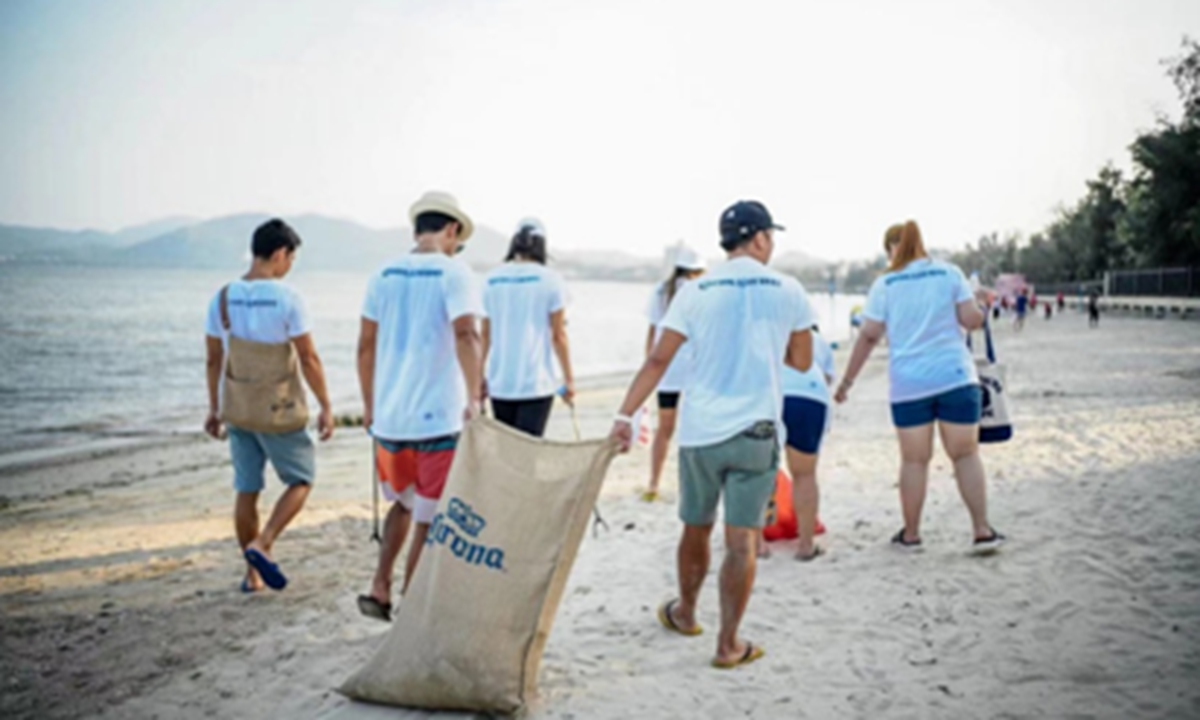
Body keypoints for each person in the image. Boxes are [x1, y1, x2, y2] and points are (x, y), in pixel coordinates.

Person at [609, 200, 815, 670]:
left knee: (695, 526)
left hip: (701, 431)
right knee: (741, 540)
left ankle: (685, 613)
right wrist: (763, 346)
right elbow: (802, 362)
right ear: (760, 238)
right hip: (756, 431)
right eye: (771, 237)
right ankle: (728, 644)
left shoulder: (694, 292)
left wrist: (625, 415)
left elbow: (658, 360)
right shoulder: (788, 289)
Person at [835, 220, 1004, 556]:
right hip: (956, 377)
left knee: (914, 461)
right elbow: (972, 320)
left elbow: (869, 335)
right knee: (966, 455)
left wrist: (847, 382)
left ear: (891, 250)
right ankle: (982, 531)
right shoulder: (949, 273)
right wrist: (981, 303)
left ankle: (911, 536)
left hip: (909, 384)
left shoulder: (885, 283)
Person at [356, 191, 484, 622]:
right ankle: (412, 612)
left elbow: (365, 346)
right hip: (438, 420)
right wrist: (475, 399)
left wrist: (370, 406)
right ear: (451, 230)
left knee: (404, 504)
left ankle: (380, 586)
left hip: (390, 422)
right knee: (427, 518)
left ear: (417, 229)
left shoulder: (382, 275)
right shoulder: (455, 273)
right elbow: (467, 335)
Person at [204, 218, 335, 593]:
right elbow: (308, 357)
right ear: (280, 254)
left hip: (239, 407)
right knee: (301, 479)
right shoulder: (287, 298)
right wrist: (326, 404)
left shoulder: (223, 297)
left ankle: (252, 574)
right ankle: (263, 543)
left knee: (247, 489)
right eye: (290, 259)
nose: (289, 266)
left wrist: (214, 408)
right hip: (278, 409)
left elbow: (213, 358)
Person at [481, 218, 573, 437]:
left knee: (506, 453)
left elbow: (485, 336)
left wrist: (477, 378)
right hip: (536, 384)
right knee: (528, 453)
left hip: (500, 383)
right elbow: (558, 335)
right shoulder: (551, 280)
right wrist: (569, 380)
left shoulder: (491, 280)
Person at [643, 245, 707, 501]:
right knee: (694, 428)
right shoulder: (700, 291)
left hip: (666, 369)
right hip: (693, 368)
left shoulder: (661, 291)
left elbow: (652, 331)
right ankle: (691, 485)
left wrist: (649, 364)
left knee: (664, 429)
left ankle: (654, 483)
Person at [778, 324, 836, 561]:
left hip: (772, 395)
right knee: (805, 474)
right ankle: (805, 544)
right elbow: (826, 377)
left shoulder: (766, 332)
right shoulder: (817, 339)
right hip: (809, 396)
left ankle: (758, 544)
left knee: (762, 472)